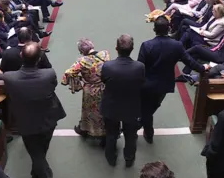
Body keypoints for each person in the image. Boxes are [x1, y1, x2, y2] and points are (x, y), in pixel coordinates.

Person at [3, 43, 66, 178]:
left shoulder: (9, 77)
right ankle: (44, 176)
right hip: (48, 117)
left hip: (26, 121)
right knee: (42, 147)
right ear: (39, 59)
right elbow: (53, 86)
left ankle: (35, 172)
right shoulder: (49, 74)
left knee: (35, 150)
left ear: (21, 56)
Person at [138, 16, 208, 143]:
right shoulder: (177, 45)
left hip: (147, 85)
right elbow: (190, 62)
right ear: (169, 28)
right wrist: (202, 68)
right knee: (153, 106)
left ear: (154, 29)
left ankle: (143, 128)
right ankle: (145, 129)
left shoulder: (146, 45)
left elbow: (140, 67)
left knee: (146, 109)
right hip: (164, 85)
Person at [100, 34, 144, 167]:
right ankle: (129, 159)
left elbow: (103, 80)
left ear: (116, 48)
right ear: (132, 49)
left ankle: (111, 158)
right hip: (131, 107)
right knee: (131, 135)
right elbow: (141, 83)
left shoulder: (107, 66)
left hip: (111, 107)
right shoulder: (140, 67)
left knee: (111, 134)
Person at [61, 38, 109, 141]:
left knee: (88, 111)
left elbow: (68, 73)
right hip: (104, 87)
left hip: (90, 90)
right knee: (104, 109)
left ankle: (85, 129)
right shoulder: (104, 55)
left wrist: (78, 80)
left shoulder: (82, 61)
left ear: (82, 51)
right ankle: (105, 131)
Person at [179, 13, 224, 84]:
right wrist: (209, 48)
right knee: (196, 53)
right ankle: (185, 75)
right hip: (216, 50)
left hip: (221, 57)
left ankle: (179, 55)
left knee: (197, 48)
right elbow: (221, 43)